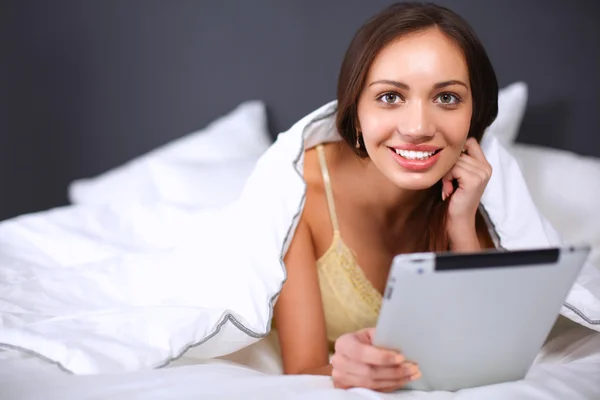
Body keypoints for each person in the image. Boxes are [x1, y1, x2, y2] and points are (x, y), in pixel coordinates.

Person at [273, 1, 499, 392]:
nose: (417, 128)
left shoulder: (476, 195)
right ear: (355, 111)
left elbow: (487, 345)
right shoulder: (299, 197)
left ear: (473, 115)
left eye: (446, 98)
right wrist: (344, 371)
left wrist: (462, 223)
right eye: (390, 97)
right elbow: (304, 368)